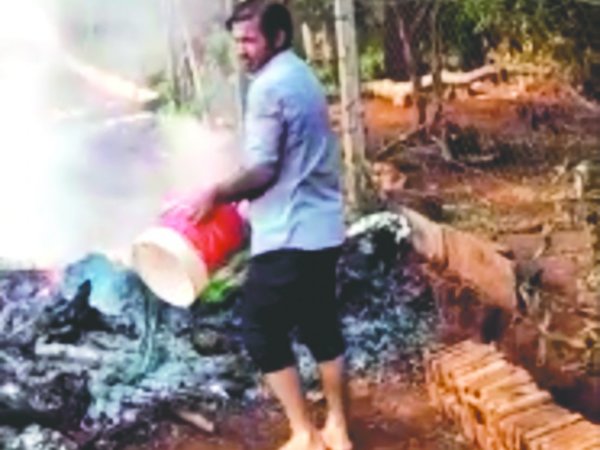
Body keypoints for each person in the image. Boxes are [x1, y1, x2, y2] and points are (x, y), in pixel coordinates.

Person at [176, 1, 352, 449]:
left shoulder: (268, 88)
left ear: (277, 37)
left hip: (290, 232)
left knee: (258, 326)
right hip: (323, 226)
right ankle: (337, 428)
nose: (241, 50)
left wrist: (216, 193)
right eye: (236, 41)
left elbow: (263, 170)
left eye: (250, 40)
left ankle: (304, 433)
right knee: (320, 326)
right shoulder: (302, 75)